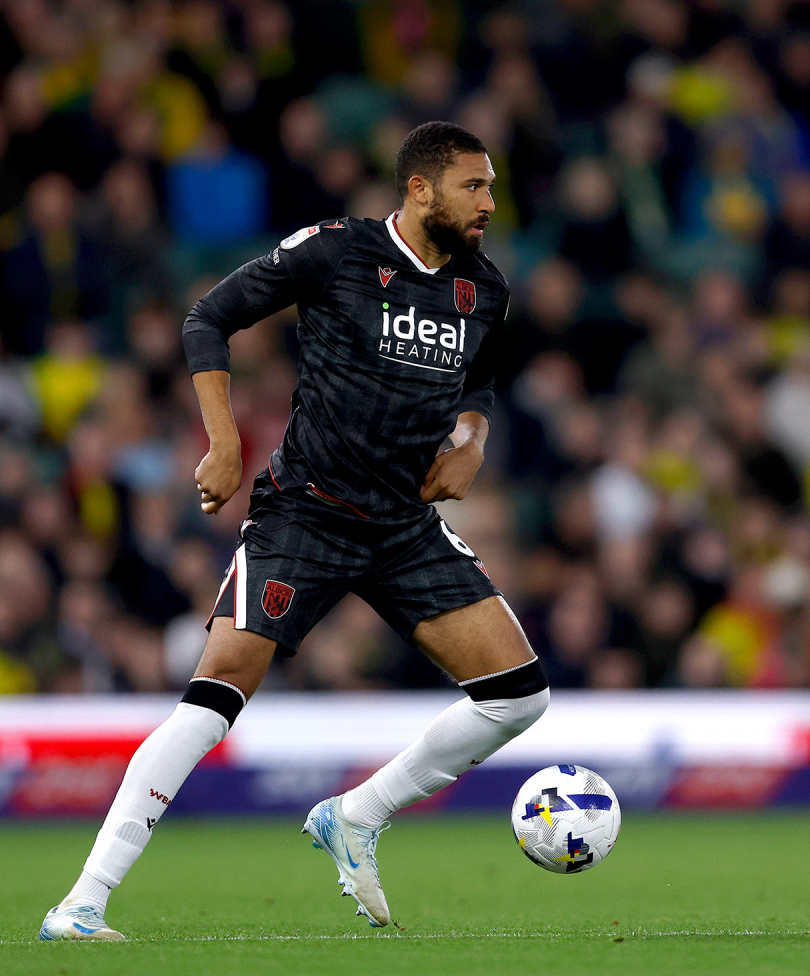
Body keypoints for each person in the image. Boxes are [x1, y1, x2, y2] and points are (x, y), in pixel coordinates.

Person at [39, 121, 550, 941]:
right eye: (474, 186)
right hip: (307, 512)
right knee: (214, 695)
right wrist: (223, 443)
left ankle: (358, 814)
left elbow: (478, 383)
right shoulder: (336, 251)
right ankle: (82, 902)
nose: (489, 202)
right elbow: (208, 317)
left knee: (519, 695)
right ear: (420, 189)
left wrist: (473, 443)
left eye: (491, 186)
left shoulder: (482, 288)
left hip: (403, 523)